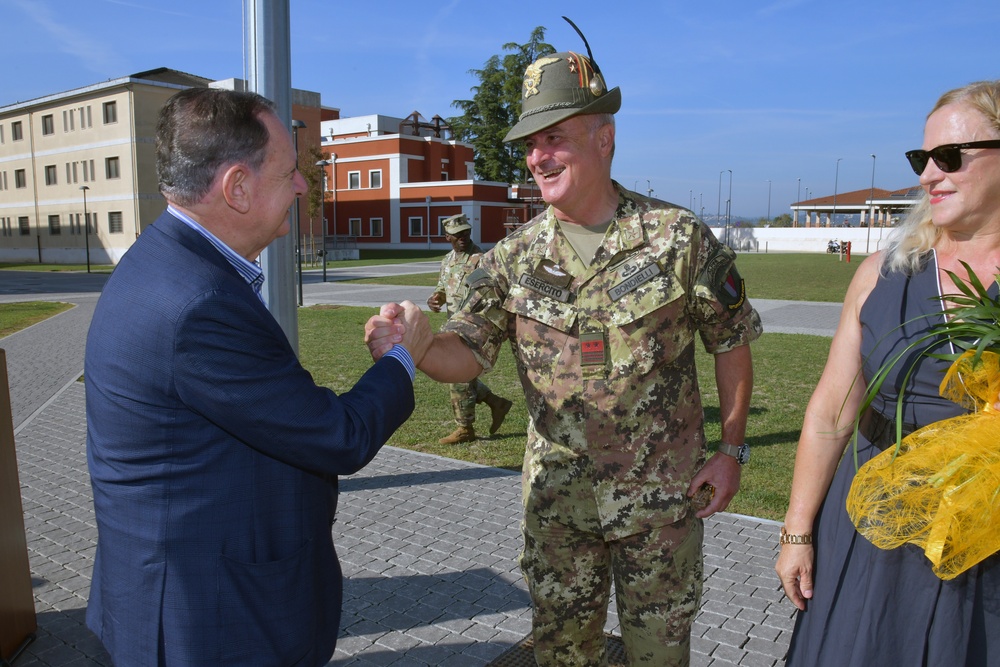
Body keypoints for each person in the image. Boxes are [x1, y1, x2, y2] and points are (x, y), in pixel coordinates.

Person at [367, 27, 761, 666]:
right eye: (531, 143)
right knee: (561, 659)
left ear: (604, 137)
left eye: (555, 137)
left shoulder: (677, 238)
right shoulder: (512, 258)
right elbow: (465, 352)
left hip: (658, 509)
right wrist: (414, 343)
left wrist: (733, 449)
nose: (538, 157)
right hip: (558, 511)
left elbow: (732, 341)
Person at [84, 87, 431, 666]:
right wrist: (404, 356)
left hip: (178, 593)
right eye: (291, 172)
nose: (301, 187)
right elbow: (336, 436)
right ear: (238, 188)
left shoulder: (165, 262)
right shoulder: (196, 303)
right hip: (212, 619)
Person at [775, 80, 1000, 666]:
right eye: (921, 159)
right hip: (869, 526)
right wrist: (798, 531)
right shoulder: (882, 272)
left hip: (981, 546)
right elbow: (829, 414)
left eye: (950, 157)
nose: (929, 175)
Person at [426, 213, 513, 444]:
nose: (462, 238)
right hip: (453, 325)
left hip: (475, 326)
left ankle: (465, 428)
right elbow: (442, 288)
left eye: (465, 233)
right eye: (457, 235)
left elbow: (493, 296)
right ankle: (496, 402)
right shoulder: (447, 261)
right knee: (461, 373)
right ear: (447, 237)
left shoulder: (481, 259)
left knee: (456, 373)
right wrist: (436, 298)